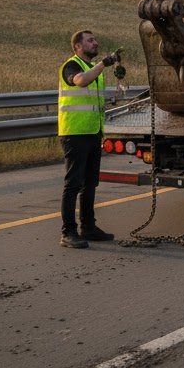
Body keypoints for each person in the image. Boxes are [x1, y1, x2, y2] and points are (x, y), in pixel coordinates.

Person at [58, 29, 119, 249]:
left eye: (95, 39)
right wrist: (104, 63)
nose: (96, 42)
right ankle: (68, 233)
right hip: (74, 134)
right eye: (90, 40)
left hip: (92, 132)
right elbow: (80, 81)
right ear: (77, 46)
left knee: (90, 183)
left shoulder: (95, 72)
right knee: (73, 184)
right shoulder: (71, 66)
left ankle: (88, 228)